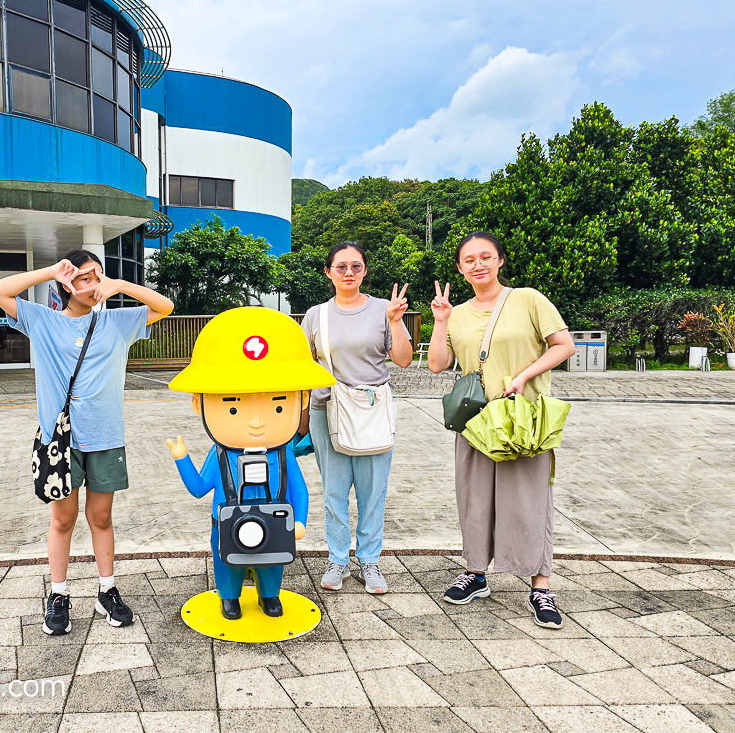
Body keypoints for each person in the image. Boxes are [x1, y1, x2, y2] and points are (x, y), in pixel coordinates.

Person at [0, 250, 173, 636]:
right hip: (60, 439)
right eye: (84, 278)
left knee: (101, 518)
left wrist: (119, 284)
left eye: (98, 276)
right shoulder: (43, 321)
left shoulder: (117, 323)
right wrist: (50, 271)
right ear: (66, 286)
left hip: (106, 436)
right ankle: (58, 594)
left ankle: (107, 590)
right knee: (63, 519)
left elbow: (165, 306)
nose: (94, 284)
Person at [427, 230, 575, 629]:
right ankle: (476, 574)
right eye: (469, 260)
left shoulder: (527, 299)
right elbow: (437, 364)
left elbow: (564, 345)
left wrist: (524, 376)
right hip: (476, 421)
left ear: (500, 261)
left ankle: (540, 586)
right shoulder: (456, 313)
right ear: (460, 268)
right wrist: (441, 321)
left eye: (485, 257)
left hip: (521, 419)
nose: (478, 265)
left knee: (529, 502)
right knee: (474, 501)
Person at [165, 307, 334, 620]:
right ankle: (229, 597)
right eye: (233, 408)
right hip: (227, 524)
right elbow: (199, 488)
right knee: (226, 561)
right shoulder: (221, 455)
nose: (256, 421)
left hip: (275, 522)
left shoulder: (282, 455)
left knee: (272, 561)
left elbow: (299, 490)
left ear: (302, 399)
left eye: (278, 406)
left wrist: (299, 521)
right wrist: (182, 459)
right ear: (199, 403)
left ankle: (269, 595)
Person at [300, 241, 413, 594]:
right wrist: (299, 418)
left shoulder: (383, 309)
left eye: (356, 266)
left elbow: (404, 359)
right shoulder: (316, 315)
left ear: (364, 271)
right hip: (326, 410)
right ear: (328, 272)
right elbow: (303, 367)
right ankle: (338, 559)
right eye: (341, 267)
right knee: (334, 492)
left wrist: (395, 321)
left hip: (372, 411)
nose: (348, 272)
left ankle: (369, 560)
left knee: (372, 491)